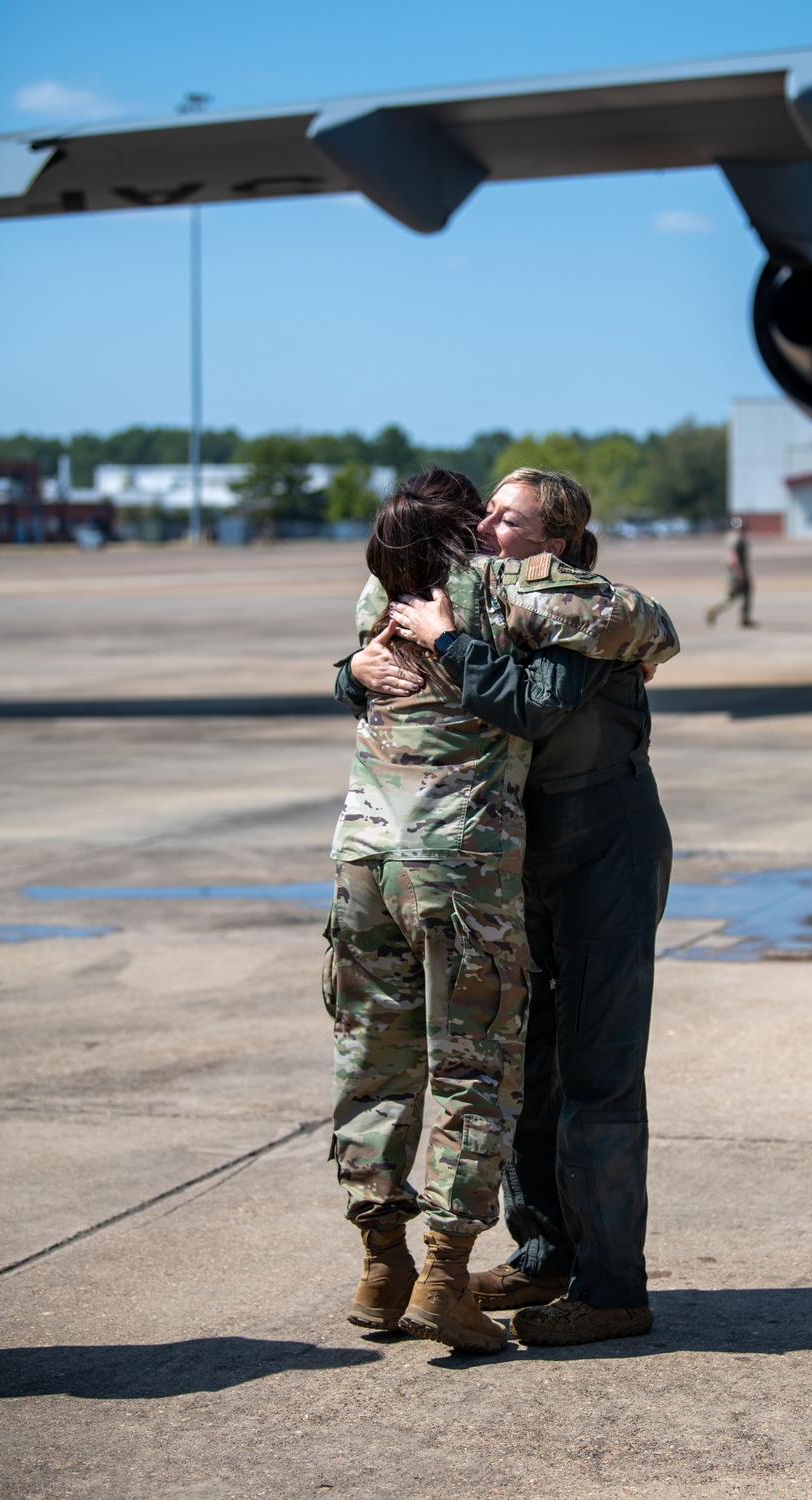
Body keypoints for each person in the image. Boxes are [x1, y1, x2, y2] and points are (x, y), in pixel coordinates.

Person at [326, 466, 678, 1355]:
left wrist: (441, 641)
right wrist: (353, 672)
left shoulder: (571, 610)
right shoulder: (471, 595)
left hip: (601, 852)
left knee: (595, 1075)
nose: (486, 526)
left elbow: (529, 704)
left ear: (551, 541)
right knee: (521, 1064)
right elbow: (372, 657)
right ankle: (546, 1252)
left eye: (507, 516)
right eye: (482, 511)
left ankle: (610, 1288)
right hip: (509, 855)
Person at [706, 516, 756, 627]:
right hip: (736, 572)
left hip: (738, 571)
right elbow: (733, 558)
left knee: (747, 594)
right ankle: (714, 610)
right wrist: (740, 573)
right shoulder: (736, 539)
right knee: (730, 597)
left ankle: (745, 618)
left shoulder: (734, 537)